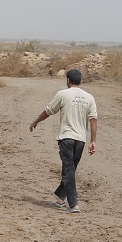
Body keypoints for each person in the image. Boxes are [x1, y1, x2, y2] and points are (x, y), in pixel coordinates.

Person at [29, 69, 97, 213]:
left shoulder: (62, 94)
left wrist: (36, 121)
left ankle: (73, 204)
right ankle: (61, 198)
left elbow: (48, 111)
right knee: (70, 169)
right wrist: (93, 141)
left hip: (66, 138)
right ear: (81, 81)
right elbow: (93, 120)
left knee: (68, 170)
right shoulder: (89, 97)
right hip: (81, 140)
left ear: (67, 80)